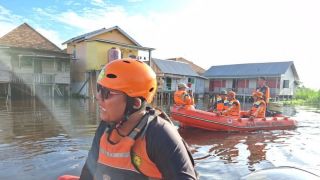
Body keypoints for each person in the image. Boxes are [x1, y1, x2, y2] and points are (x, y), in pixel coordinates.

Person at [63, 59, 197, 180]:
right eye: (99, 89)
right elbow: (89, 170)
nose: (98, 97)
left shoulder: (159, 134)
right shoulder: (106, 127)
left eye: (107, 93)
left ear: (135, 103)